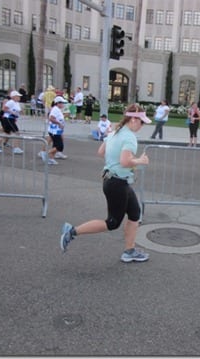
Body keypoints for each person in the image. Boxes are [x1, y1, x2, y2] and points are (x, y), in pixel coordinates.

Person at [60, 103, 152, 263]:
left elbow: (101, 152)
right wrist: (141, 160)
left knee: (135, 214)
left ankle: (129, 251)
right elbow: (125, 161)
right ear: (133, 120)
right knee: (112, 223)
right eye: (141, 122)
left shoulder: (115, 131)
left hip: (114, 180)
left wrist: (113, 164)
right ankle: (72, 232)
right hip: (117, 183)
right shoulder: (129, 137)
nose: (142, 125)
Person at [0, 90, 24, 154]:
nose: (19, 97)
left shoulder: (16, 103)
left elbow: (18, 111)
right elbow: (4, 108)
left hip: (12, 119)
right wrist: (12, 112)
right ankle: (16, 148)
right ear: (14, 96)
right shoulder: (11, 102)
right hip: (8, 118)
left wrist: (20, 112)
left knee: (6, 133)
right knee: (16, 133)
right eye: (18, 96)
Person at [39, 96, 68, 165]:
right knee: (59, 146)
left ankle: (51, 158)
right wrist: (59, 123)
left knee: (55, 144)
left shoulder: (57, 109)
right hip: (55, 131)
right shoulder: (55, 109)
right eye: (62, 103)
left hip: (57, 130)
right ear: (58, 103)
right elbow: (51, 118)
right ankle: (46, 153)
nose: (63, 104)